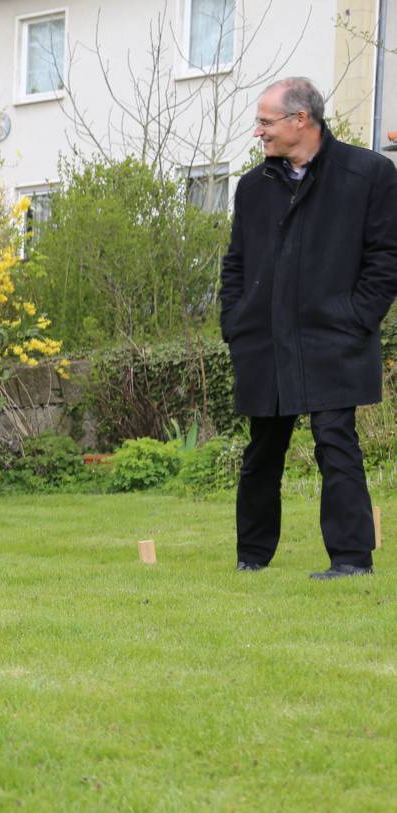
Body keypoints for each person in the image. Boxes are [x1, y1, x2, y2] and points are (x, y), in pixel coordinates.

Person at [220, 76, 397, 579]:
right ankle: (252, 557)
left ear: (301, 120)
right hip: (264, 340)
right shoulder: (253, 187)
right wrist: (236, 321)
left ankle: (351, 560)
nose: (258, 131)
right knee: (262, 450)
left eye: (265, 121)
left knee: (335, 442)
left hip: (334, 337)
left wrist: (356, 317)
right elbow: (236, 264)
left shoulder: (369, 174)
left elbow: (386, 258)